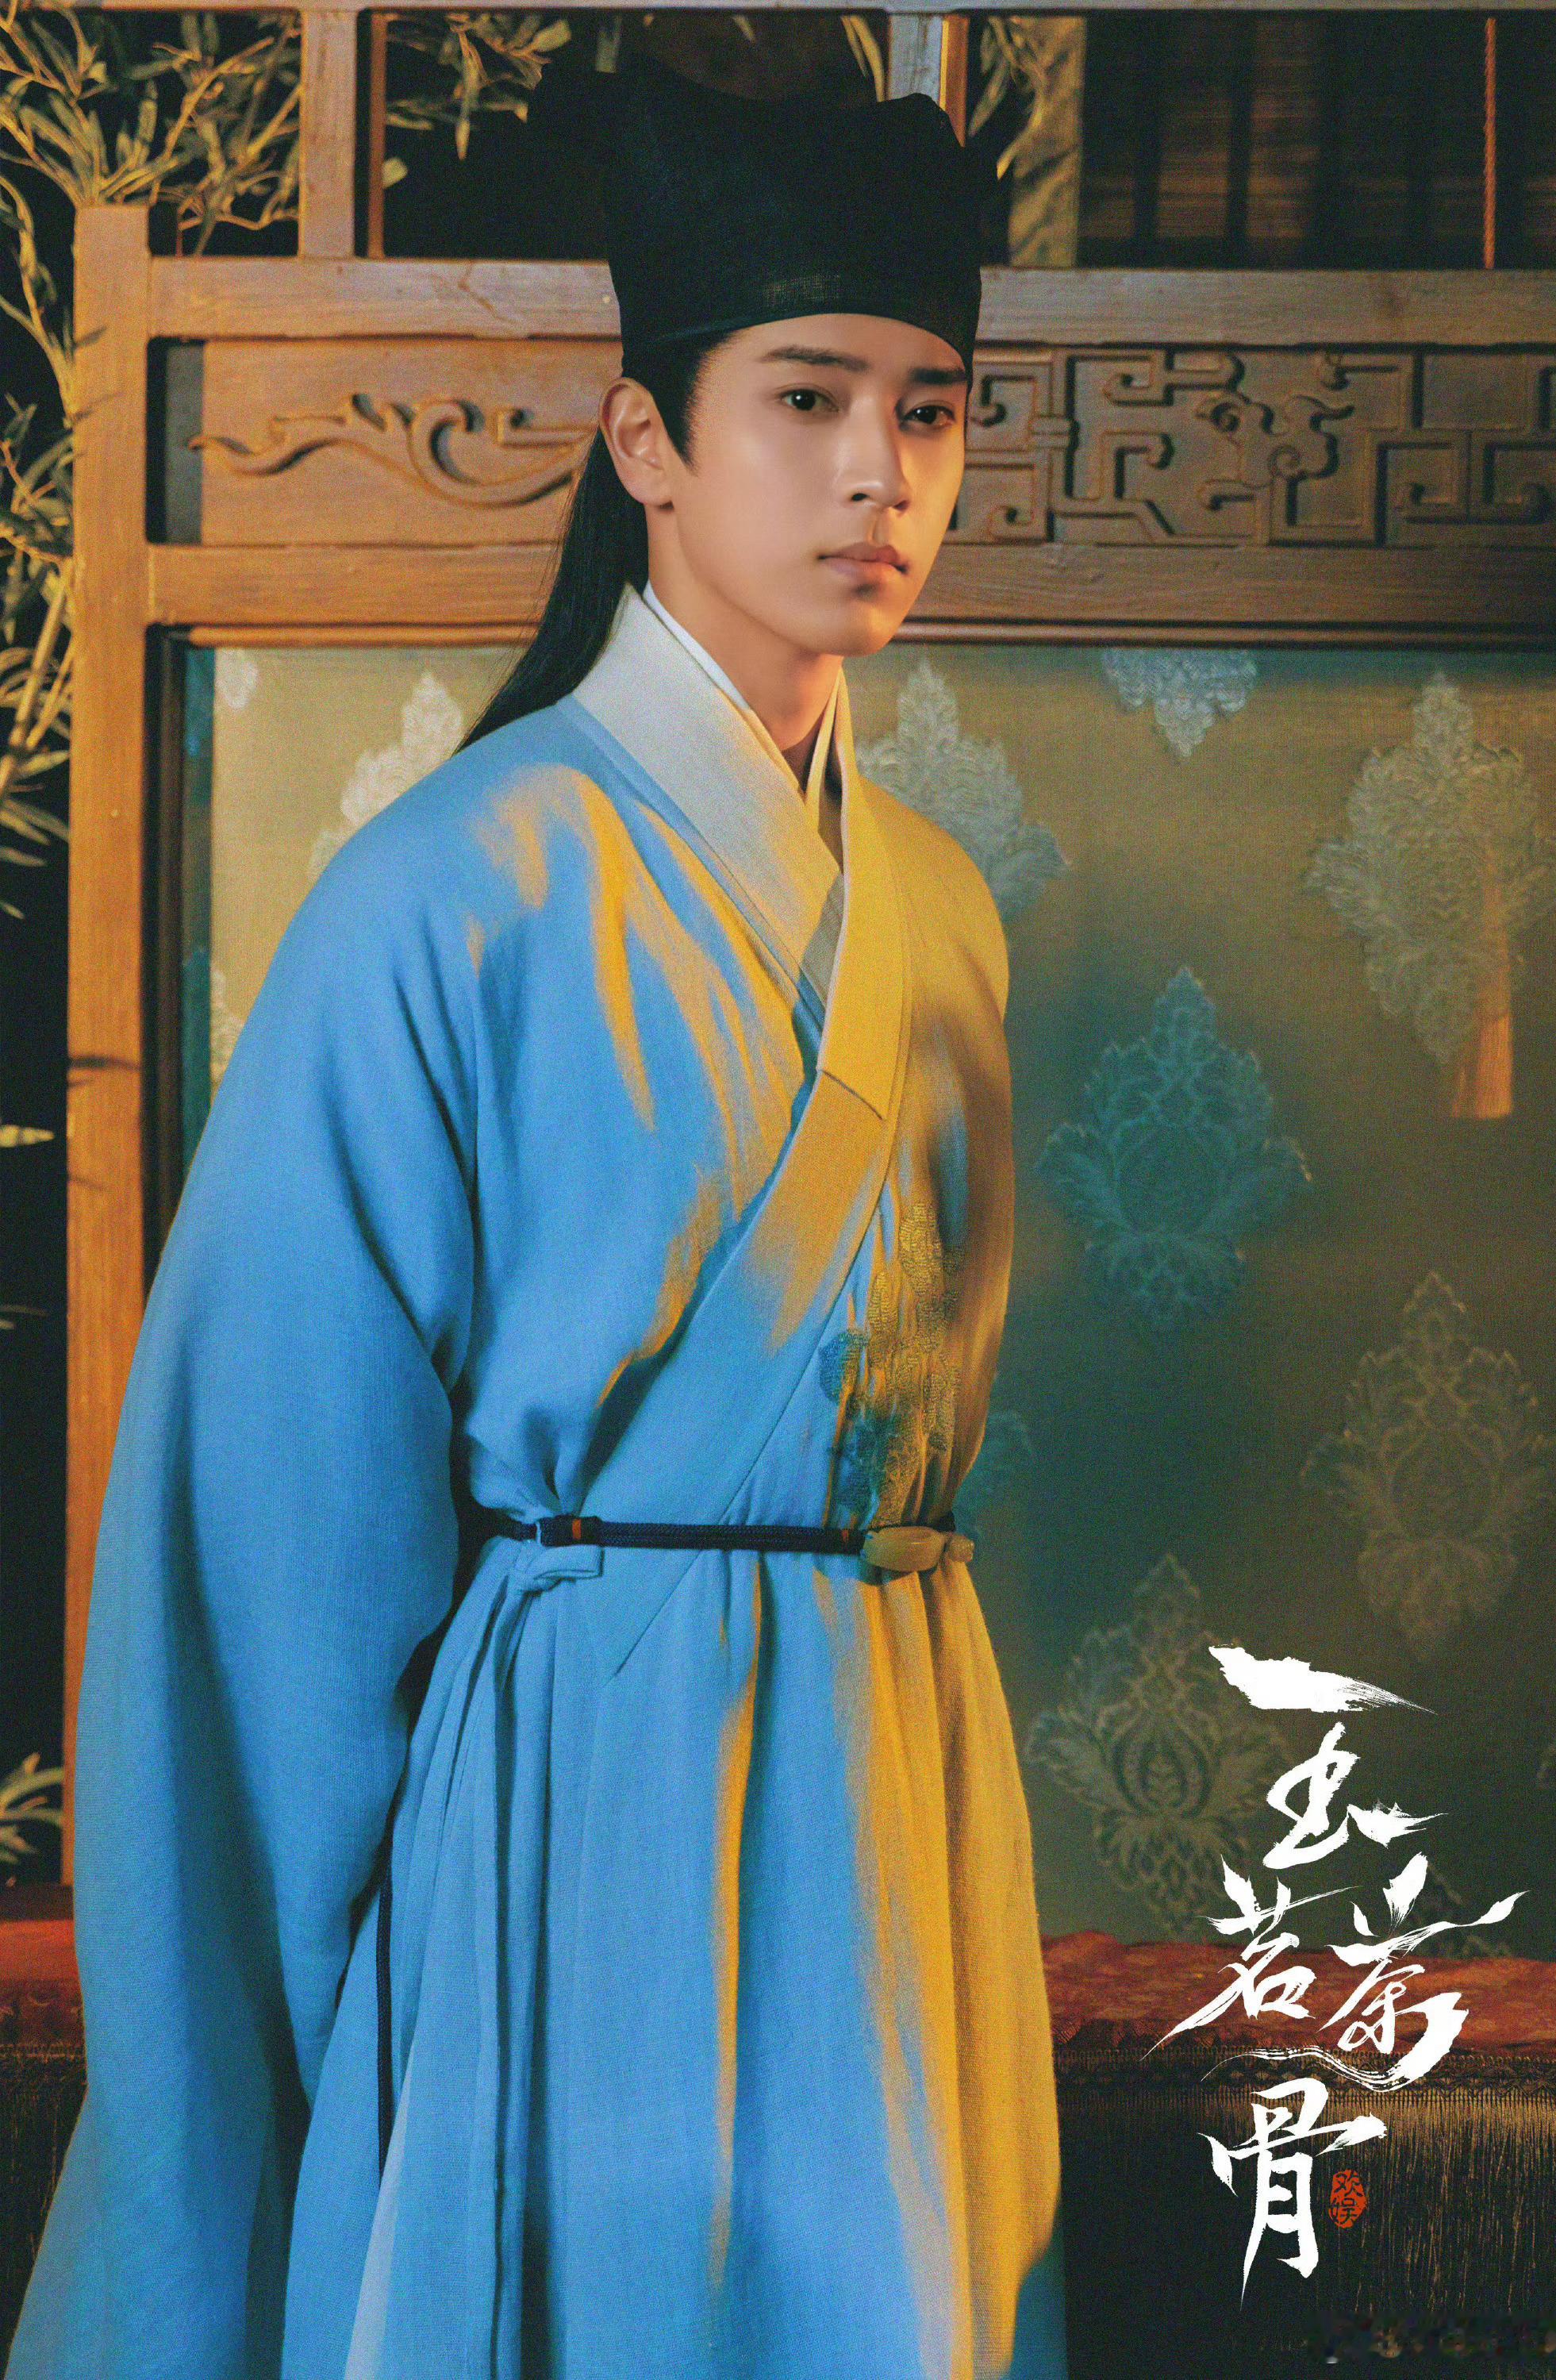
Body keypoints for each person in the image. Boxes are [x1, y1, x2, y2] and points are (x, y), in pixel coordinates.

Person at [6, 54, 1066, 2380]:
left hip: (895, 1814)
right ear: (646, 442)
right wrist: (357, 2014)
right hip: (571, 1842)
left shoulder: (943, 920)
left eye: (933, 409)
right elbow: (271, 1566)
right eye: (807, 399)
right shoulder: (446, 899)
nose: (882, 473)